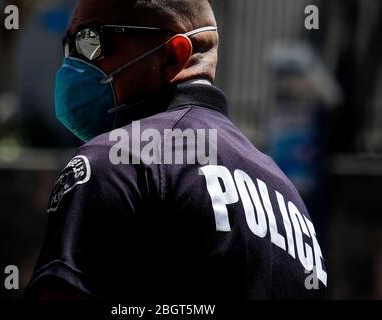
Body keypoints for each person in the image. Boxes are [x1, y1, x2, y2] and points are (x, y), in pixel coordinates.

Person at [25, 0, 327, 301]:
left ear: (173, 55)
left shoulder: (119, 160)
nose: (73, 63)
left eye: (91, 41)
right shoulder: (286, 195)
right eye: (70, 47)